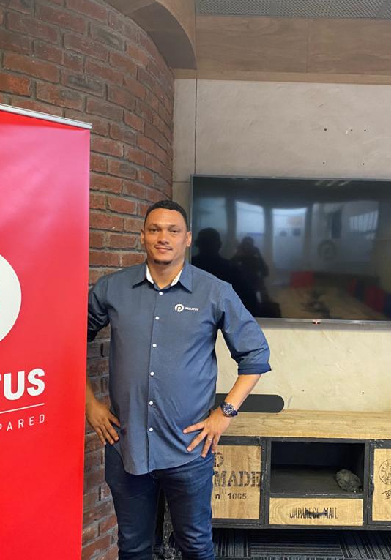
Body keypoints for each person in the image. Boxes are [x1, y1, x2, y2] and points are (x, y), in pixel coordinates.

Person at [86, 200, 271, 560]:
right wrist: (89, 403)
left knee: (196, 546)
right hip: (127, 445)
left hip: (189, 448)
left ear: (187, 238)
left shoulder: (214, 291)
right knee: (133, 547)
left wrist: (225, 413)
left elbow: (255, 356)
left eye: (173, 231)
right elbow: (68, 342)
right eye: (154, 229)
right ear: (142, 236)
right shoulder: (112, 289)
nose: (163, 237)